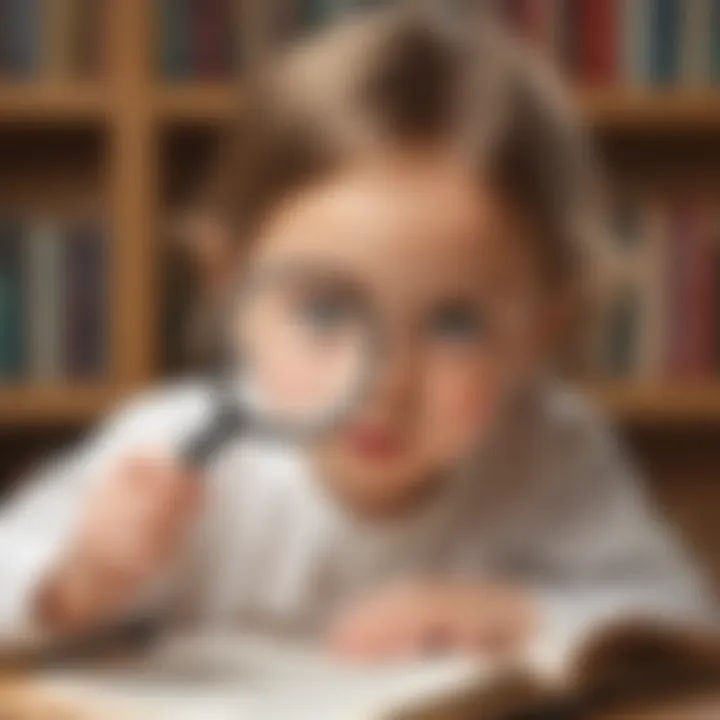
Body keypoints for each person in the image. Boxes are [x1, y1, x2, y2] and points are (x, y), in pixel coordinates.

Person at [0, 6, 713, 662]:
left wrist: (521, 615)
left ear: (540, 332)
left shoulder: (552, 453)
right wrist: (75, 584)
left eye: (454, 323)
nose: (384, 381)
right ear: (229, 289)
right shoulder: (176, 448)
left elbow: (683, 625)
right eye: (323, 312)